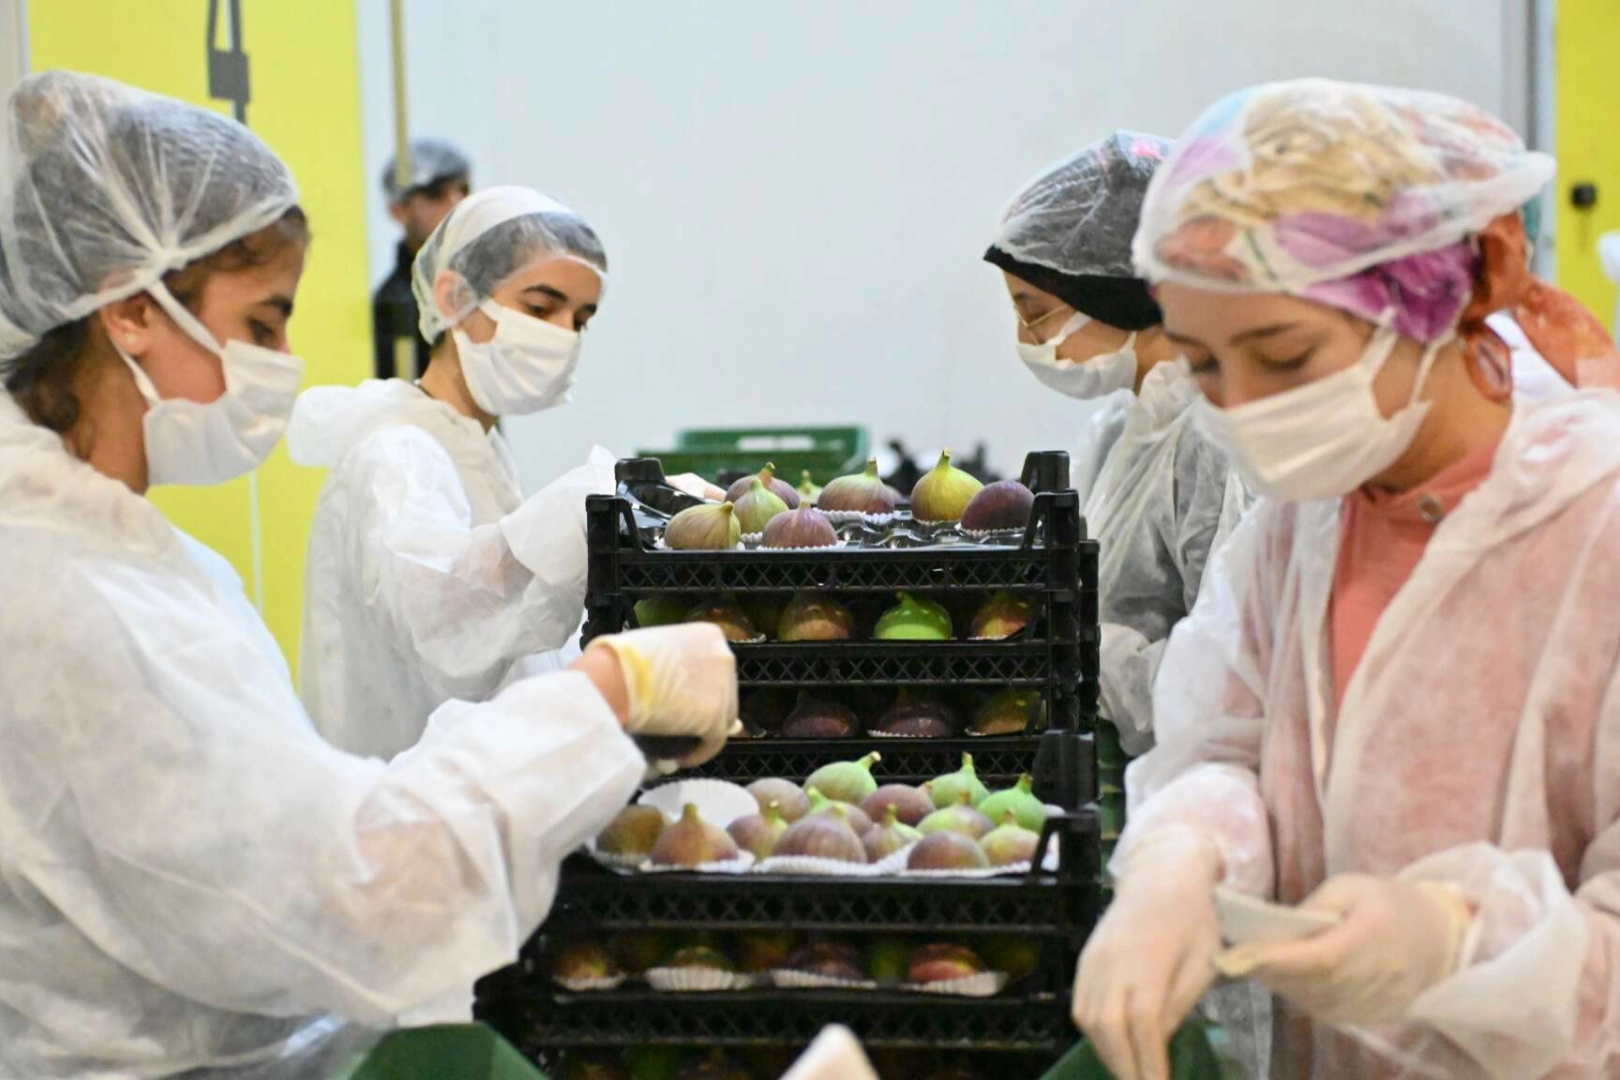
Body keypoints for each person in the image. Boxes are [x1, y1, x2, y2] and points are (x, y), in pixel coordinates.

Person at [0, 70, 736, 1079]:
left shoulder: (141, 562)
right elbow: (352, 896)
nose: (283, 362)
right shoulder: (70, 595)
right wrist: (605, 694)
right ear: (131, 310)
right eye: (262, 325)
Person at [1071, 78, 1620, 1080]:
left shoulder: (1597, 531)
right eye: (1203, 365)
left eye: (1283, 357)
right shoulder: (1305, 522)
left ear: (1439, 298)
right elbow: (1226, 743)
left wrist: (1457, 939)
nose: (1242, 408)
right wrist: (1180, 855)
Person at [290, 186, 723, 761]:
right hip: (410, 787)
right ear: (454, 297)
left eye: (581, 319)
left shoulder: (471, 443)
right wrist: (589, 503)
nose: (563, 334)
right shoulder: (397, 452)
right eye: (540, 309)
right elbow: (443, 624)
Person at [985, 132, 1249, 756]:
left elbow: (1231, 678)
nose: (1025, 338)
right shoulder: (1126, 424)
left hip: (1192, 775)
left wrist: (1083, 653)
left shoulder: (1213, 437)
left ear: (1111, 288)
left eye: (1035, 311)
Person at [374, 137, 471, 381]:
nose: (456, 203)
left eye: (463, 189)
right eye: (436, 194)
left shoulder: (487, 285)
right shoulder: (392, 307)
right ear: (398, 210)